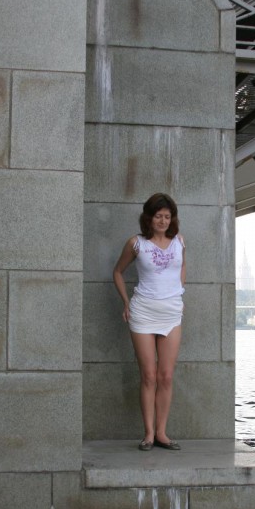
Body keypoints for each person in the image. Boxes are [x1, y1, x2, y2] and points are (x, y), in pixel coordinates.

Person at [113, 193, 185, 451]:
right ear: (149, 218)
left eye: (167, 216)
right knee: (149, 375)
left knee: (166, 376)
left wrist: (179, 292)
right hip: (143, 312)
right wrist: (126, 302)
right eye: (158, 216)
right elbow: (117, 272)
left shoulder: (179, 241)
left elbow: (181, 268)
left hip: (171, 314)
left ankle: (162, 433)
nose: (163, 221)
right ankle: (148, 434)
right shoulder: (136, 244)